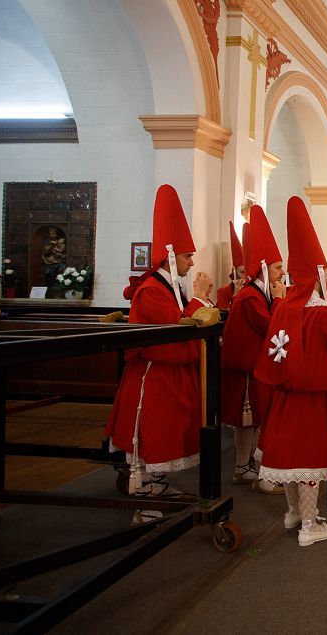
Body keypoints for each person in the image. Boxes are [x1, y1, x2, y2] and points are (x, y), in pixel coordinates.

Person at [253, 197, 327, 547]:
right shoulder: (321, 312)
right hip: (313, 398)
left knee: (287, 456)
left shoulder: (284, 308)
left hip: (284, 395)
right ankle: (310, 524)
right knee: (311, 459)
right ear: (318, 274)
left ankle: (293, 513)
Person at [105, 185, 209, 523]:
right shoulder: (152, 292)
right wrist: (199, 300)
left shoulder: (169, 287)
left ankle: (157, 486)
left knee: (166, 436)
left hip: (169, 376)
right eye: (187, 256)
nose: (191, 262)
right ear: (169, 256)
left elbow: (183, 323)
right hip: (154, 376)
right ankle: (146, 502)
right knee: (154, 437)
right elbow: (175, 332)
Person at [220, 206, 285, 495]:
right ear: (263, 269)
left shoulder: (256, 294)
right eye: (277, 267)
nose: (282, 273)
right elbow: (271, 328)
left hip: (253, 369)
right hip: (247, 372)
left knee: (251, 423)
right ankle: (248, 469)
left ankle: (244, 467)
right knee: (250, 423)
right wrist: (282, 301)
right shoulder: (250, 298)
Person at [216, 221, 244, 310]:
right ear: (234, 272)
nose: (245, 276)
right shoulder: (224, 292)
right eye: (242, 272)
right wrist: (235, 295)